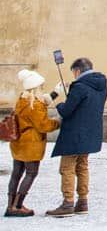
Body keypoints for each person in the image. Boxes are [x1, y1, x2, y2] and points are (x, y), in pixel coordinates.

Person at [44, 57, 107, 218]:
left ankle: (67, 203)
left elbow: (66, 111)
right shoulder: (102, 86)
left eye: (73, 72)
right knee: (83, 166)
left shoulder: (79, 87)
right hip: (91, 133)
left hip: (74, 134)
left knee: (67, 168)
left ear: (78, 71)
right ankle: (82, 202)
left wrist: (59, 104)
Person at [7, 70, 59, 217]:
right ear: (36, 88)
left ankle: (11, 205)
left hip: (18, 143)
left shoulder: (22, 100)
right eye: (41, 87)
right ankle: (17, 206)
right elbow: (44, 125)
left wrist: (55, 93)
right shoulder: (34, 105)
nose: (42, 89)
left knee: (16, 174)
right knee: (31, 173)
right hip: (31, 144)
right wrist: (58, 122)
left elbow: (43, 102)